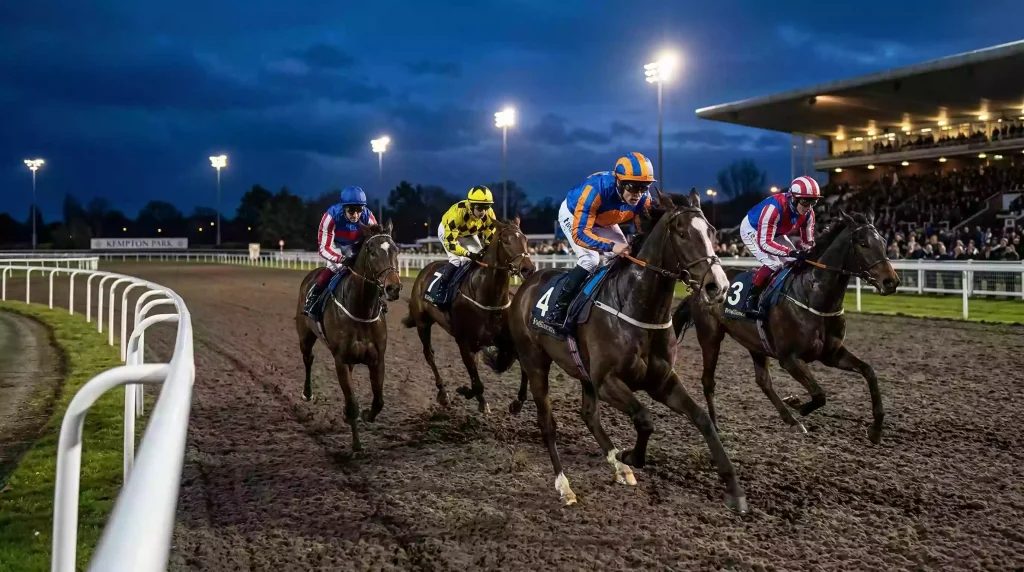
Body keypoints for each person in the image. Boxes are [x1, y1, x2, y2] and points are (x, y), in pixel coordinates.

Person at [547, 152, 654, 327]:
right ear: (619, 182)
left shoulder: (644, 199)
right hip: (575, 216)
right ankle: (558, 309)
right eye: (633, 187)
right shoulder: (595, 190)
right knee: (590, 260)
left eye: (644, 187)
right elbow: (580, 234)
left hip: (604, 219)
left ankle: (612, 304)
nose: (638, 194)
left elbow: (645, 234)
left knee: (625, 255)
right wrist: (612, 246)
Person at [738, 175, 819, 315]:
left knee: (794, 262)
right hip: (753, 229)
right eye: (806, 201)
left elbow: (808, 242)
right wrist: (791, 252)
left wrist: (808, 253)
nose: (809, 207)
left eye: (814, 202)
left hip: (775, 232)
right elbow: (765, 243)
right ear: (794, 198)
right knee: (773, 264)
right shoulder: (773, 209)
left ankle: (787, 298)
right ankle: (749, 300)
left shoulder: (809, 213)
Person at [302, 186, 377, 316]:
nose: (356, 215)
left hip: (353, 244)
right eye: (351, 210)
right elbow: (323, 248)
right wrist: (342, 259)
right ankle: (313, 297)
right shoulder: (331, 217)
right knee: (336, 267)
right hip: (334, 245)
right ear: (343, 208)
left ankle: (377, 300)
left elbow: (376, 240)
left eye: (359, 210)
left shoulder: (368, 217)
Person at [433, 185, 498, 303]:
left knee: (481, 259)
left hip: (467, 234)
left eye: (486, 207)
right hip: (448, 232)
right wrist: (467, 253)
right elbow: (451, 244)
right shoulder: (456, 214)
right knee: (457, 261)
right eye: (480, 207)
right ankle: (441, 290)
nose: (483, 211)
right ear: (471, 205)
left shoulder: (489, 214)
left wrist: (487, 247)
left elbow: (490, 234)